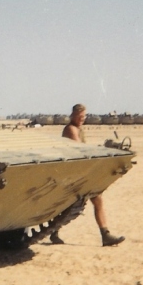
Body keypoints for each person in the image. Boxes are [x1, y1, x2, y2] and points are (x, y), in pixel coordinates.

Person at [50, 103, 126, 247]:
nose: (81, 119)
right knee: (68, 204)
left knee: (96, 200)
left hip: (79, 171)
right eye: (79, 117)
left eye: (83, 117)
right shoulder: (71, 129)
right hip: (73, 172)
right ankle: (104, 235)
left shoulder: (79, 129)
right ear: (72, 116)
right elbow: (80, 149)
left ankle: (105, 234)